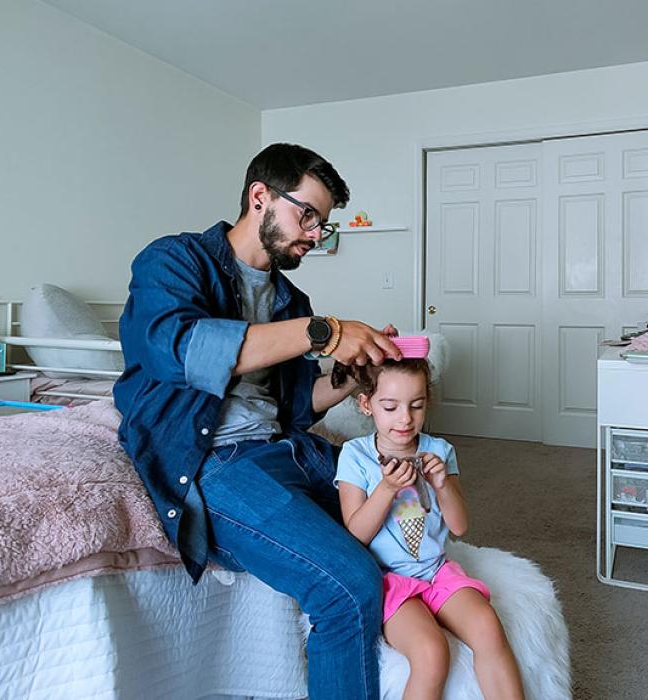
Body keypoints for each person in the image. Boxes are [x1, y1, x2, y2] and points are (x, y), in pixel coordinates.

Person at [113, 143, 402, 700]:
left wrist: (349, 378)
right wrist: (326, 333)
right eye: (308, 215)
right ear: (260, 197)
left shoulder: (291, 299)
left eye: (324, 222)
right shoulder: (174, 260)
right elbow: (180, 348)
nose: (316, 234)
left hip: (290, 450)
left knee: (405, 529)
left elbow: (294, 405)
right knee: (348, 587)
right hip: (216, 463)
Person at [335, 358, 526, 700]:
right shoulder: (355, 455)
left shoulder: (439, 451)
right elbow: (355, 535)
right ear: (367, 405)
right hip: (387, 580)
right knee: (431, 652)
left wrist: (442, 485)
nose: (405, 418)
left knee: (488, 627)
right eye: (390, 407)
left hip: (437, 571)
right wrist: (387, 489)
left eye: (416, 405)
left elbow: (459, 526)